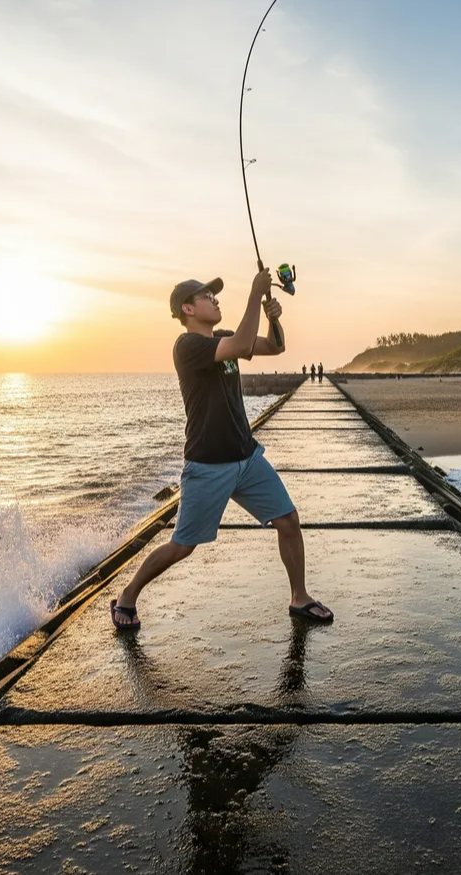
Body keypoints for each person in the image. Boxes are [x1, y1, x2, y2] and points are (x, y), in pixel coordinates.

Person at [110, 270, 333, 631]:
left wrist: (274, 318)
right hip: (208, 465)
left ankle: (299, 597)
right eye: (206, 296)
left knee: (289, 521)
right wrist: (254, 294)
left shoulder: (226, 337)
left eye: (214, 295)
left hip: (246, 457)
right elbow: (240, 345)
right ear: (188, 309)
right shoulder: (188, 346)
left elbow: (274, 347)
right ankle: (127, 597)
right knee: (182, 546)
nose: (214, 300)